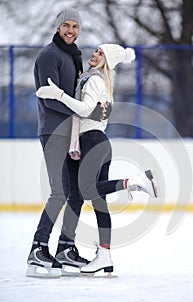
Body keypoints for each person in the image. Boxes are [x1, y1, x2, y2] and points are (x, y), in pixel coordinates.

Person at [36, 44, 159, 276]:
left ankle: (133, 182)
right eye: (96, 51)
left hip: (92, 141)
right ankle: (104, 255)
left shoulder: (94, 81)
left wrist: (59, 95)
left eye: (101, 54)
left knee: (85, 190)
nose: (94, 55)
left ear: (107, 61)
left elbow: (84, 110)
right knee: (99, 202)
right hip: (100, 143)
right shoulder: (101, 82)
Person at [26, 7, 91, 278]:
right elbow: (47, 98)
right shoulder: (49, 56)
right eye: (66, 25)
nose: (70, 31)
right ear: (57, 27)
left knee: (77, 193)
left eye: (75, 26)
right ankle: (38, 249)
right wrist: (80, 110)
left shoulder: (73, 56)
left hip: (73, 132)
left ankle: (65, 247)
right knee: (59, 193)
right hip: (53, 131)